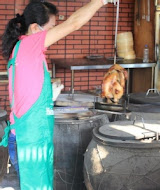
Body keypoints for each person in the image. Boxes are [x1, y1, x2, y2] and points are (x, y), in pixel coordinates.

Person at [0, 0, 117, 189]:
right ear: (35, 28)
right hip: (29, 138)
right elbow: (74, 24)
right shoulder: (30, 44)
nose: (52, 32)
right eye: (51, 28)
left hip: (30, 134)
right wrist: (100, 1)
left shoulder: (21, 48)